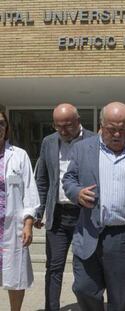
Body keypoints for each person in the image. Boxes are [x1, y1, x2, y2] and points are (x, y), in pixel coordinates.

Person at [62, 102, 125, 311]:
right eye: (111, 129)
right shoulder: (82, 148)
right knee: (83, 288)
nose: (117, 134)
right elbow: (69, 179)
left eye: (123, 129)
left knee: (124, 300)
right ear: (101, 125)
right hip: (90, 230)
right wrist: (76, 193)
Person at [34, 103, 95, 311]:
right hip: (57, 215)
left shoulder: (94, 141)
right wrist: (38, 211)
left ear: (78, 121)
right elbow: (42, 179)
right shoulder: (48, 142)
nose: (62, 130)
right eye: (58, 126)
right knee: (54, 268)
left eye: (67, 125)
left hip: (84, 214)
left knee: (87, 268)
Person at [0, 111, 40, 311]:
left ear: (6, 128)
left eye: (1, 123)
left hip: (12, 226)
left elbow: (29, 191)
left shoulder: (19, 155)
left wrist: (28, 223)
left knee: (15, 274)